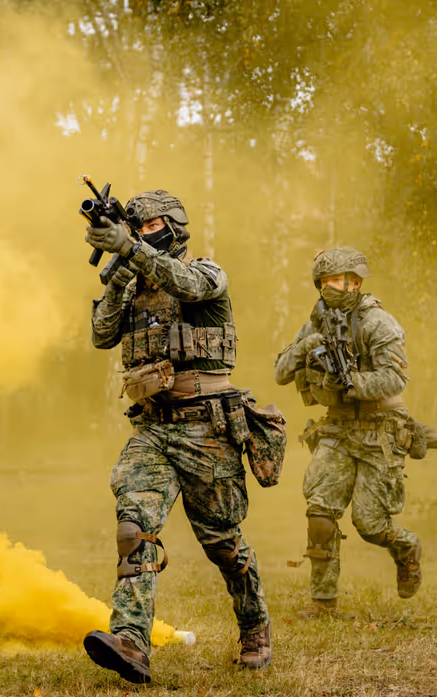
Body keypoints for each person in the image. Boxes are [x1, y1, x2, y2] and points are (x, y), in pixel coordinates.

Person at [80, 189, 272, 683]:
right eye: (134, 228)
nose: (142, 236)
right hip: (152, 429)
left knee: (222, 541)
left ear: (176, 226)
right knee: (133, 526)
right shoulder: (134, 279)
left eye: (149, 227)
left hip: (207, 426)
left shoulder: (207, 273)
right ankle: (131, 641)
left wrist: (129, 248)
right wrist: (122, 274)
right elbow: (102, 335)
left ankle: (255, 630)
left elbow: (183, 282)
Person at [274, 247, 422, 619]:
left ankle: (406, 549)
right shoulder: (315, 324)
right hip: (338, 428)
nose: (334, 288)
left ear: (357, 282)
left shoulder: (378, 322)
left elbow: (395, 377)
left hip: (380, 429)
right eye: (326, 282)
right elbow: (280, 372)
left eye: (341, 281)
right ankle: (324, 604)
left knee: (370, 525)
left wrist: (350, 382)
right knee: (320, 512)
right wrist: (306, 346)